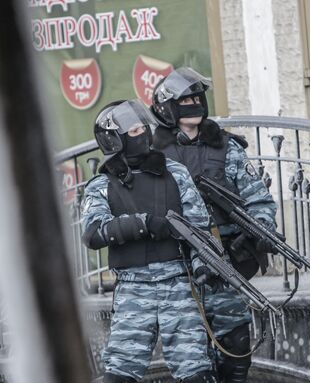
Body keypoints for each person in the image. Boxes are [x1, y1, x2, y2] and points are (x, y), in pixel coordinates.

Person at [151, 67, 278, 383]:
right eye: (186, 99)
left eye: (198, 97)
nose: (194, 103)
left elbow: (258, 199)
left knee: (236, 356)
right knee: (193, 367)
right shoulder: (152, 154)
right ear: (169, 107)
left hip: (224, 267)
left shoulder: (226, 147)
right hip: (177, 273)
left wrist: (259, 231)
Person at [80, 99, 218, 383]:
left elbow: (198, 230)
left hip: (178, 285)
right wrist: (143, 224)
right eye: (133, 131)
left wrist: (204, 264)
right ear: (114, 139)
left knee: (196, 373)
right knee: (120, 374)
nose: (142, 134)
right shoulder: (102, 185)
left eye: (144, 127)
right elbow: (93, 233)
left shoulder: (175, 173)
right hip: (133, 288)